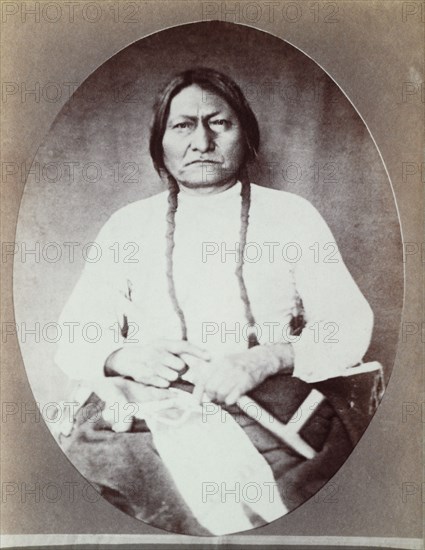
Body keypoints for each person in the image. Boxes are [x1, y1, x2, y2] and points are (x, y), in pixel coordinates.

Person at [55, 68, 380, 535]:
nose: (201, 141)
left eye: (218, 123)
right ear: (161, 143)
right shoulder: (128, 226)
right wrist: (125, 355)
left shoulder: (291, 216)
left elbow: (347, 323)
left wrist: (265, 358)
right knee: (102, 470)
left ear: (244, 134)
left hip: (270, 406)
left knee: (303, 497)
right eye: (183, 125)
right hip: (152, 411)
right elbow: (74, 334)